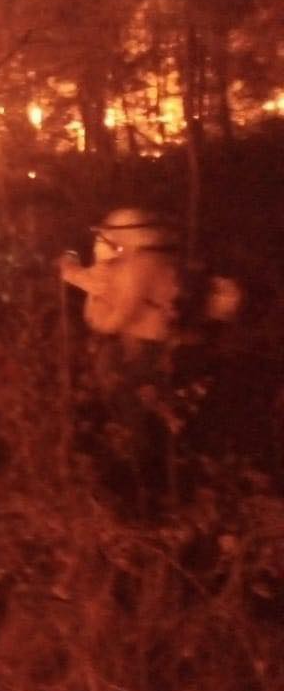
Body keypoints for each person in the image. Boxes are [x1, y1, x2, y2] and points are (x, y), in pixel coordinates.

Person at [58, 207, 240, 513]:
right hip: (167, 354)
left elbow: (112, 320)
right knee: (161, 426)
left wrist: (98, 309)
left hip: (151, 356)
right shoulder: (153, 261)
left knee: (143, 429)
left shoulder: (139, 267)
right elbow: (94, 286)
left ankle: (151, 501)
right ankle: (166, 492)